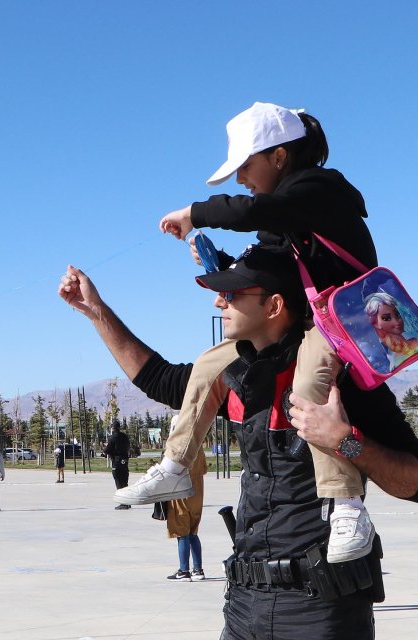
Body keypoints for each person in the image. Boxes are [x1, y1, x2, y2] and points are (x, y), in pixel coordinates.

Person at [58, 247, 418, 637]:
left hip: (320, 609)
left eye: (232, 295)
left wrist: (345, 441)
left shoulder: (340, 382)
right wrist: (96, 310)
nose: (219, 302)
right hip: (244, 603)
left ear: (274, 306)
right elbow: (159, 380)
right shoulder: (232, 377)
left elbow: (413, 481)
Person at [129, 102, 383, 564]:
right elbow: (270, 273)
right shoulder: (282, 220)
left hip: (344, 322)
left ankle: (347, 506)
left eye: (245, 166)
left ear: (279, 157)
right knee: (210, 363)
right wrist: (224, 264)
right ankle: (175, 464)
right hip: (309, 317)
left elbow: (256, 210)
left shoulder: (317, 190)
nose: (242, 178)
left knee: (310, 382)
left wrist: (195, 213)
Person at [166, 445, 207, 581]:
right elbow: (204, 469)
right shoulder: (198, 447)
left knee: (182, 531)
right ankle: (198, 569)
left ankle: (184, 571)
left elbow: (168, 469)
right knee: (193, 531)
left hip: (181, 490)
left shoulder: (178, 444)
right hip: (197, 492)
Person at [104, 421, 131, 510]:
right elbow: (128, 447)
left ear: (112, 428)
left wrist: (104, 452)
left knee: (118, 481)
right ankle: (128, 501)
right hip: (125, 460)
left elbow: (108, 449)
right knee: (125, 481)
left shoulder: (112, 437)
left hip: (117, 461)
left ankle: (123, 502)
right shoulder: (125, 436)